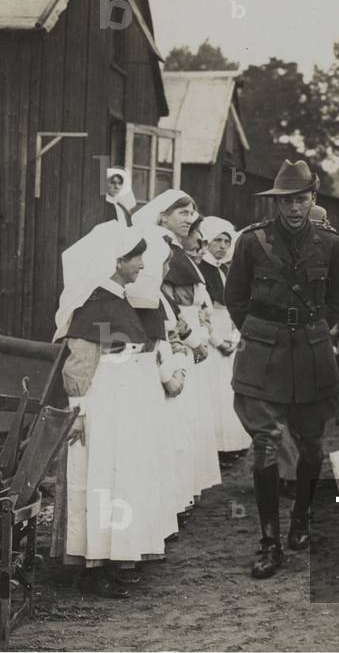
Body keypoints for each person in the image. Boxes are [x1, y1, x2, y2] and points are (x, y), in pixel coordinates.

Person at [225, 159, 339, 579]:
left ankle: (300, 518)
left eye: (301, 199)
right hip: (264, 353)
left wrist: (312, 332)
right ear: (276, 203)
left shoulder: (331, 245)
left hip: (311, 355)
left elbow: (337, 301)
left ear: (313, 199)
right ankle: (269, 542)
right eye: (286, 201)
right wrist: (262, 335)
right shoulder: (252, 242)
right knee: (266, 446)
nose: (294, 208)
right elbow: (235, 299)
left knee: (312, 446)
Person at [55, 220, 181, 598]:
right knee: (101, 481)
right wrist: (77, 411)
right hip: (103, 405)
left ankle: (118, 554)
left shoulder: (120, 301)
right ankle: (94, 567)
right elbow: (78, 365)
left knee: (122, 479)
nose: (143, 264)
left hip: (124, 406)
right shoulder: (94, 305)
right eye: (136, 257)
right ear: (116, 261)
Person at [134, 191, 221, 500]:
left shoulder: (175, 248)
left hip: (180, 332)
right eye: (182, 212)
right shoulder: (158, 244)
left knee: (186, 420)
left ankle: (183, 494)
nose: (189, 218)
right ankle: (173, 498)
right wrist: (190, 338)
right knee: (174, 421)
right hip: (167, 335)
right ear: (162, 216)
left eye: (192, 212)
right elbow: (161, 300)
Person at [198, 216, 251, 456]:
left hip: (230, 327)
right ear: (206, 241)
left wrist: (234, 334)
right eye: (217, 240)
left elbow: (237, 304)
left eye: (226, 241)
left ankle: (232, 445)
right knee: (213, 390)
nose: (221, 245)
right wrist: (217, 340)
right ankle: (216, 447)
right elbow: (201, 311)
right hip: (211, 330)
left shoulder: (229, 269)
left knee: (230, 389)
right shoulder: (201, 269)